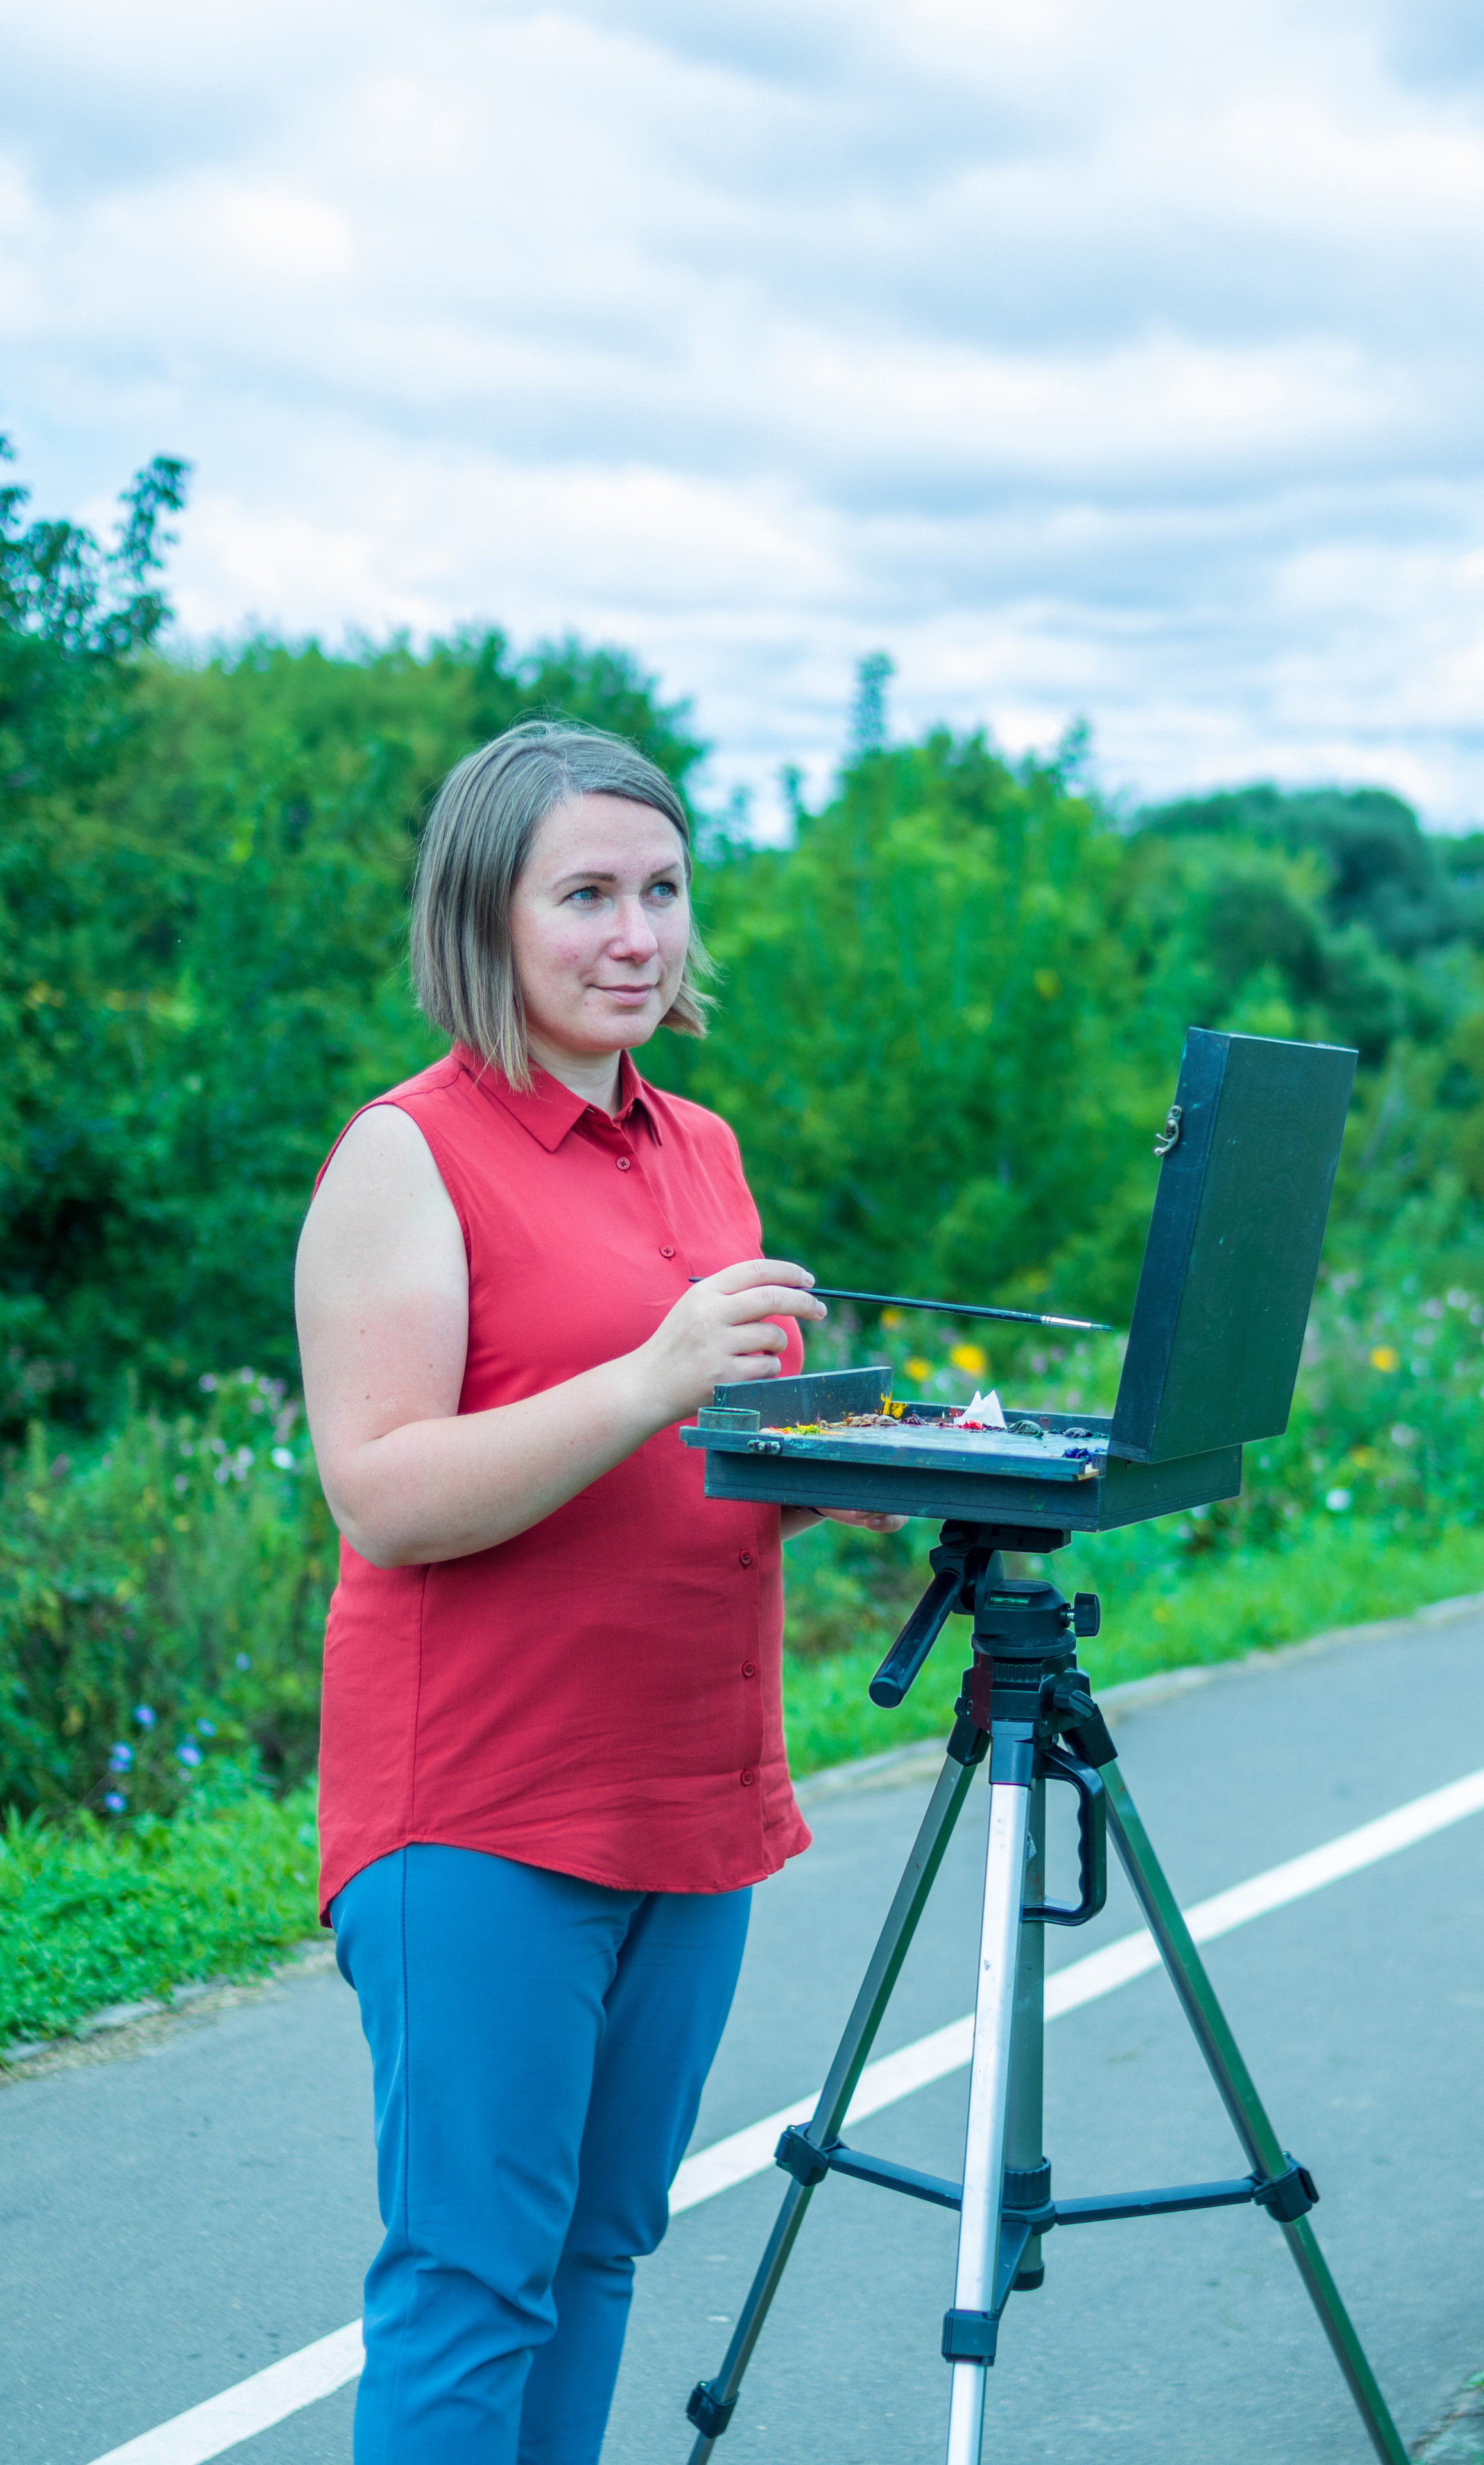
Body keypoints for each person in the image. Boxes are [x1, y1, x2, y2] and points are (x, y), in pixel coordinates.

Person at [294, 720, 904, 2464]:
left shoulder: (701, 1150)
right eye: (586, 896)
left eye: (662, 890)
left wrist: (874, 1472)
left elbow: (707, 1466)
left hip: (691, 1797)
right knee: (476, 2278)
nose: (636, 934)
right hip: (482, 1806)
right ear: (484, 917)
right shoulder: (404, 1157)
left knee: (601, 2252)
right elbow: (384, 1492)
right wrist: (648, 1379)